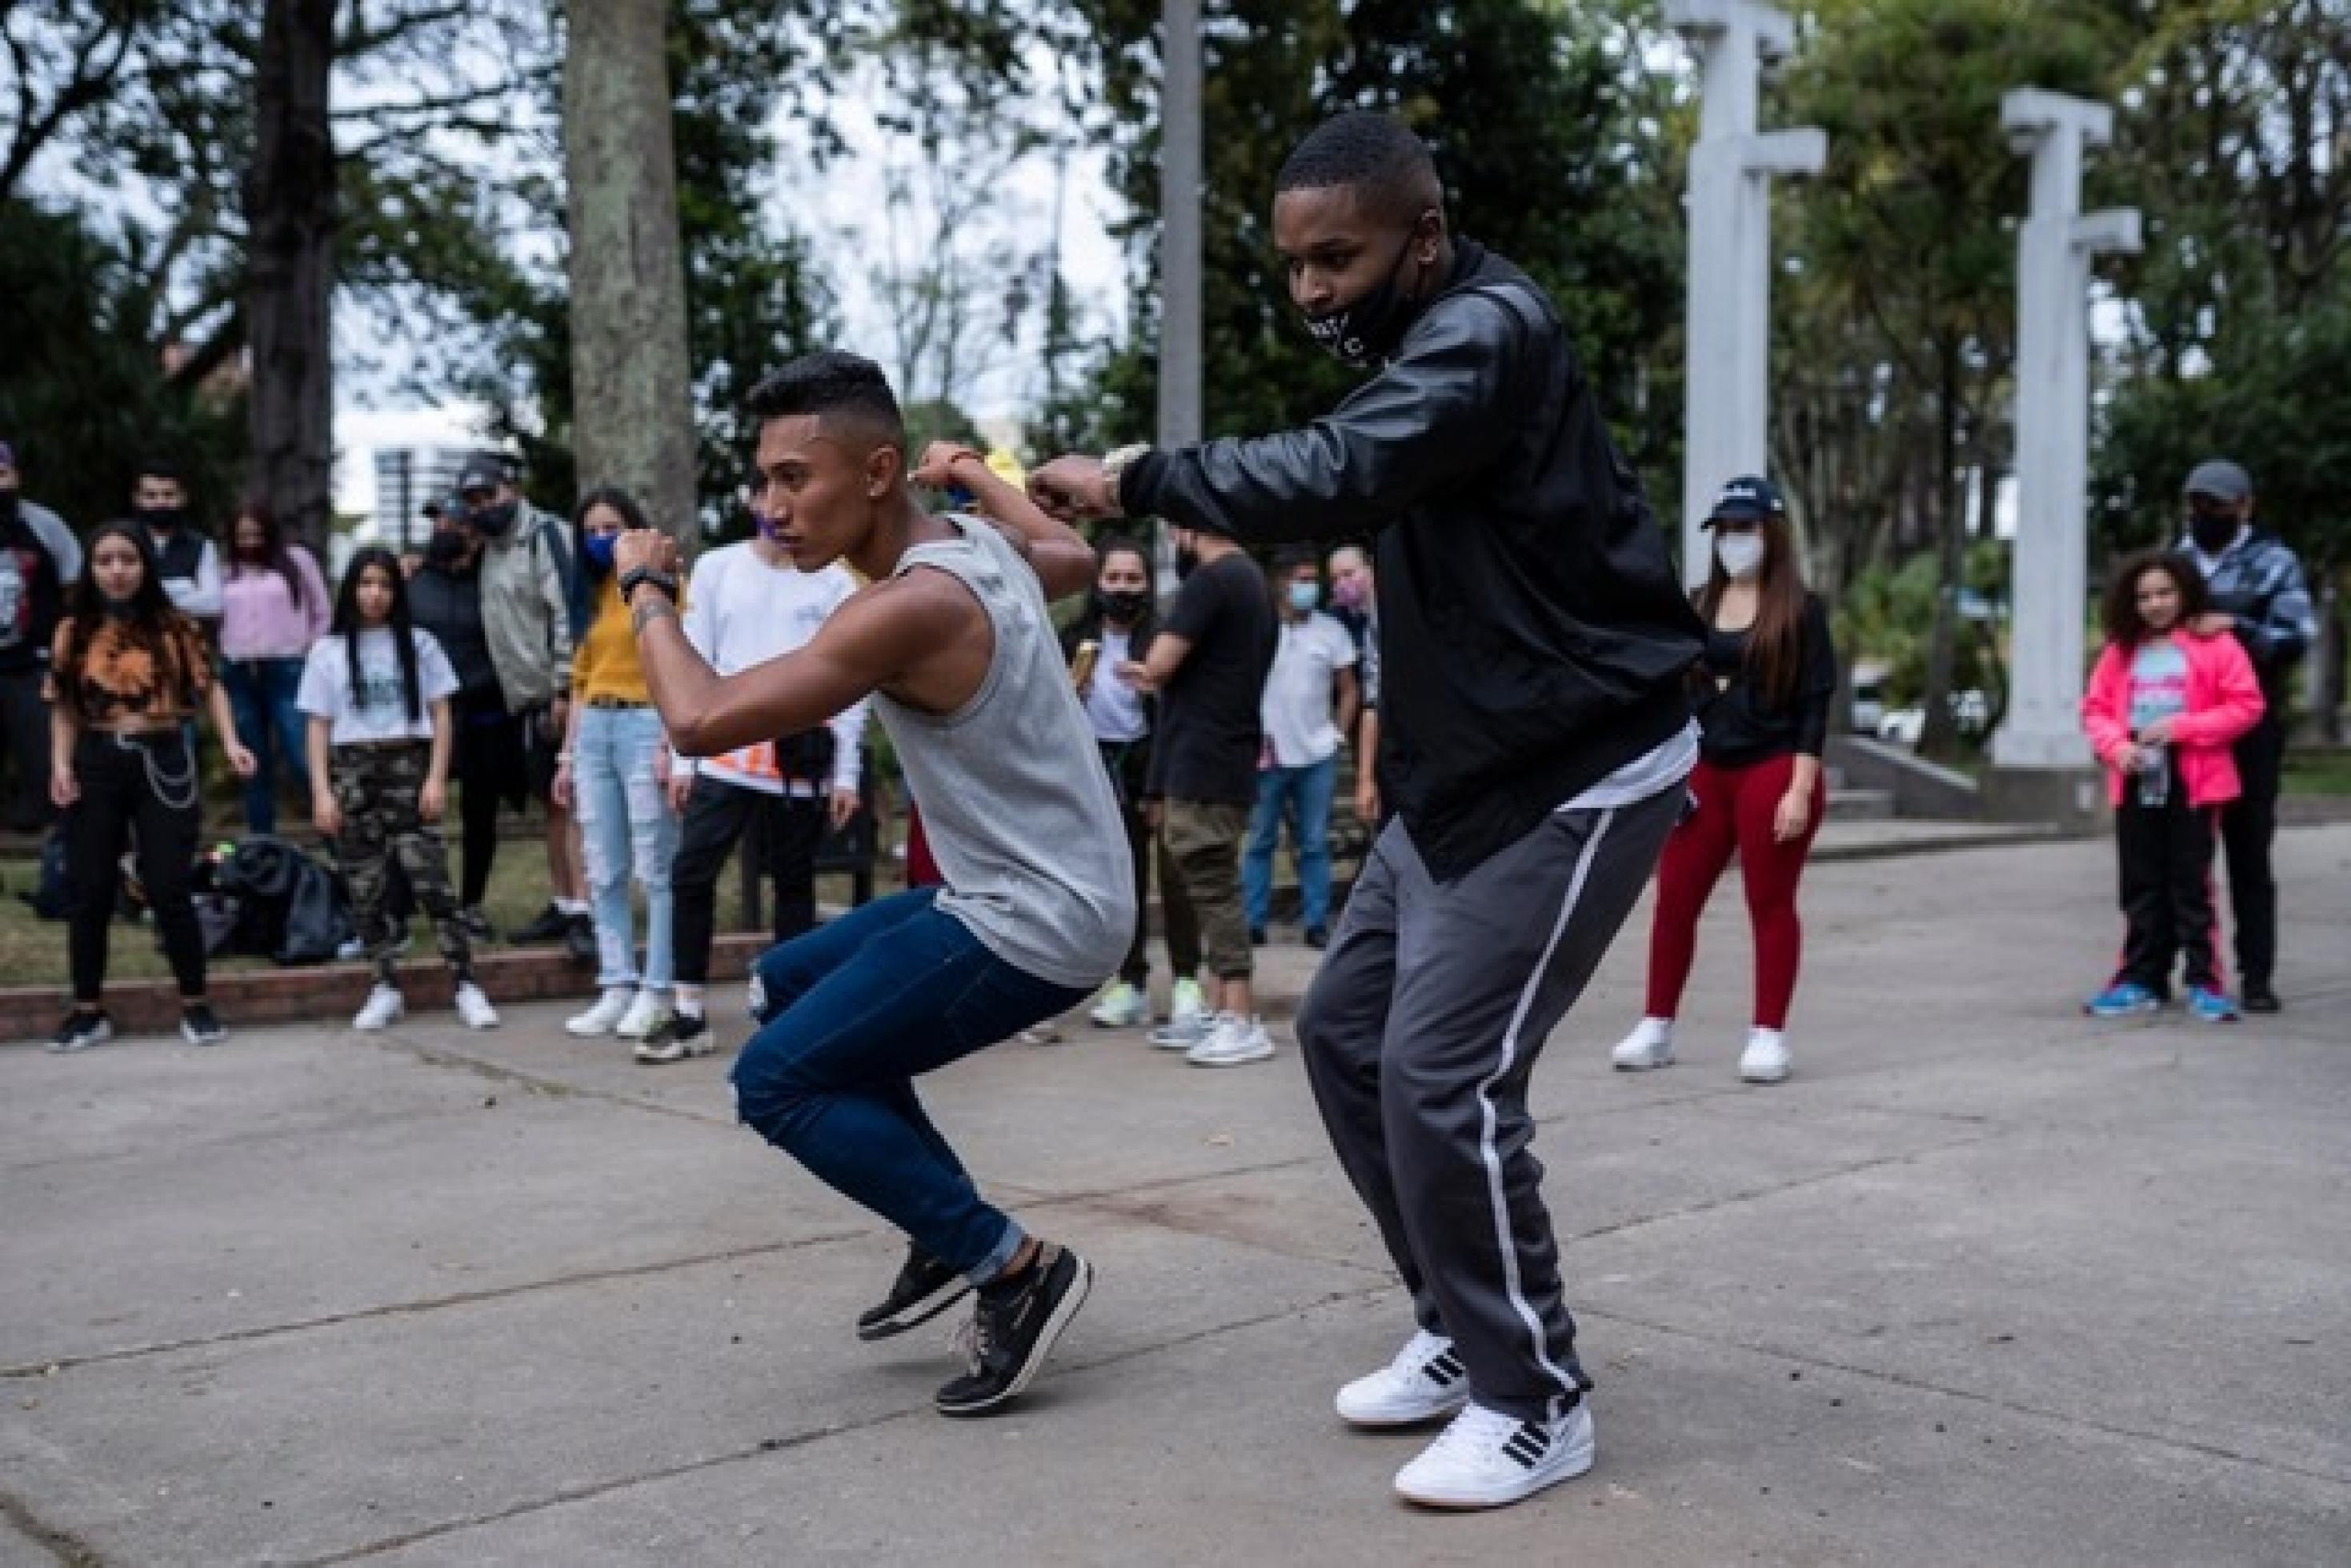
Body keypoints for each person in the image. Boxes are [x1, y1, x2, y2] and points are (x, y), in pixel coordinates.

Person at [1031, 110, 1705, 1509]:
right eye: (1291, 267)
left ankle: (1534, 1396)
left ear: (1425, 235)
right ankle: (1461, 1331)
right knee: (1344, 1037)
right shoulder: (1424, 347)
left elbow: (1338, 472)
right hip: (1463, 779)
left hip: (1579, 764)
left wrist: (1140, 479)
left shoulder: (1484, 334)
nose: (1310, 293)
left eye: (1334, 259)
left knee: (1443, 1074)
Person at [618, 351, 1132, 1417]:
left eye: (794, 479)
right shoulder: (979, 541)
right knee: (787, 987)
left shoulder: (906, 607)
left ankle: (1013, 1268)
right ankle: (943, 1230)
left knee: (772, 1080)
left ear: (876, 471)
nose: (771, 509)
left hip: (1035, 917)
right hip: (1025, 887)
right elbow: (1073, 555)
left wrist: (646, 589)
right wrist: (974, 474)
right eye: (762, 482)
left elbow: (698, 720)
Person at [1612, 477, 1835, 1084]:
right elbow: (1670, 690)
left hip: (1774, 766)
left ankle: (1769, 1033)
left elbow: (1816, 707)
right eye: (1726, 531)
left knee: (1768, 902)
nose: (1735, 541)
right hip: (1705, 767)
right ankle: (1656, 1023)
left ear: (1771, 533)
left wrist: (1799, 788)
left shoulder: (1800, 610)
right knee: (1675, 898)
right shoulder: (1697, 604)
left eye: (1747, 528)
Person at [646, 502, 867, 1064]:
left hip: (798, 765)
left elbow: (851, 686)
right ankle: (688, 1010)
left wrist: (846, 773)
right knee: (691, 874)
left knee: (794, 888)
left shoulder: (835, 583)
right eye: (768, 494)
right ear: (752, 503)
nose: (780, 510)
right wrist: (682, 759)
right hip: (723, 756)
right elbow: (689, 661)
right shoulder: (719, 568)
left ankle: (788, 1013)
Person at [46, 524, 256, 1051]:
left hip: (163, 759)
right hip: (96, 761)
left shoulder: (175, 627)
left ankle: (196, 1003)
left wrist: (231, 743)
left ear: (145, 565)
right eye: (105, 560)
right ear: (92, 569)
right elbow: (65, 709)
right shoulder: (73, 630)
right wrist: (61, 766)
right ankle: (87, 1010)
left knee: (169, 887)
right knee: (90, 890)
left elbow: (212, 690)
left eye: (128, 559)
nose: (117, 570)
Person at [301, 547, 500, 1033]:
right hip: (352, 770)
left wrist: (435, 777)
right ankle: (384, 982)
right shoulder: (328, 650)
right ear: (351, 589)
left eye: (385, 585)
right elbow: (318, 727)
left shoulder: (420, 644)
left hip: (408, 765)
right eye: (366, 584)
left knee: (432, 881)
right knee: (364, 887)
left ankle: (465, 982)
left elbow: (441, 714)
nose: (375, 595)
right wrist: (322, 792)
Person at [1116, 522, 1277, 1066]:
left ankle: (1239, 1016)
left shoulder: (1211, 581)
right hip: (1227, 752)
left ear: (1188, 529)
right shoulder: (1252, 580)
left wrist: (1149, 672)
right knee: (1211, 881)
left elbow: (1161, 662)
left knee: (1211, 883)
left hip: (1205, 759)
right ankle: (1216, 1008)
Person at [2080, 551, 2265, 1022]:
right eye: (2144, 596)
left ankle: (2205, 983)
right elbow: (2095, 711)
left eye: (2164, 593)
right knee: (2141, 883)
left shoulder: (2216, 644)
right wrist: (2117, 747)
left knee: (2191, 884)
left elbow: (2246, 705)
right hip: (2137, 777)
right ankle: (2142, 979)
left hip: (2196, 781)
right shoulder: (2121, 650)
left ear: (2183, 592)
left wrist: (2184, 727)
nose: (2156, 604)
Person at [2176, 459, 2314, 1014]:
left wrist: (2237, 627)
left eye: (2217, 505)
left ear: (2245, 507)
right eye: (2197, 505)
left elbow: (2296, 636)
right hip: (2183, 730)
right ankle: (2193, 971)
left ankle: (2256, 975)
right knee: (2185, 857)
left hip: (2251, 729)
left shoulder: (2275, 563)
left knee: (2249, 853)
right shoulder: (2175, 561)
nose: (2205, 515)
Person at [554, 487, 683, 1045]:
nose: (601, 539)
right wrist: (567, 752)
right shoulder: (589, 593)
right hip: (595, 733)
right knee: (601, 865)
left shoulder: (667, 583)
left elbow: (678, 660)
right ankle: (617, 984)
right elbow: (581, 682)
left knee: (655, 864)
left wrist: (670, 743)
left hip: (646, 725)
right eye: (591, 531)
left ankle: (658, 988)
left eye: (612, 528)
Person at [452, 454, 590, 958]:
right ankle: (564, 900)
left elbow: (566, 613)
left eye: (488, 496)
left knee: (572, 806)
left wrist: (562, 687)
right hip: (523, 703)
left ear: (512, 489)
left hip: (556, 696)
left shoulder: (544, 536)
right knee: (552, 808)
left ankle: (586, 913)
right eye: (472, 501)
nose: (482, 508)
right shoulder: (489, 549)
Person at [1063, 537, 1204, 1032]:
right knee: (1123, 882)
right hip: (1102, 769)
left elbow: (1179, 715)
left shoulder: (1165, 638)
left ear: (1147, 585)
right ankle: (1130, 981)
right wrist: (1071, 693)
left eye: (1133, 579)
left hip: (1156, 765)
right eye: (1113, 578)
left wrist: (1162, 786)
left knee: (1176, 875)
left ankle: (1188, 980)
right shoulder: (1073, 638)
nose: (1122, 588)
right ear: (1097, 582)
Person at [407, 505, 513, 940]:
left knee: (480, 816)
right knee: (413, 814)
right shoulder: (411, 581)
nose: (444, 529)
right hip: (424, 715)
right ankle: (413, 903)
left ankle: (471, 904)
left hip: (483, 709)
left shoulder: (491, 581)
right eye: (438, 522)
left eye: (454, 522)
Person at [1246, 547, 1360, 949]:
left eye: (1314, 580)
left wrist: (1338, 734)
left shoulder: (1332, 631)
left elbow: (1348, 689)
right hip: (1268, 752)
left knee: (1314, 842)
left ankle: (1316, 921)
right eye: (1302, 580)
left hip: (1317, 753)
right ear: (1280, 583)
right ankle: (1253, 922)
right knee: (1261, 839)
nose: (1309, 588)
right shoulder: (1259, 629)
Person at [219, 499, 331, 834]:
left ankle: (337, 841)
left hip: (288, 671)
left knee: (304, 759)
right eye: (243, 535)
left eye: (256, 534)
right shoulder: (224, 570)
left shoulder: (297, 561)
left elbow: (322, 611)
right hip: (238, 672)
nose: (250, 541)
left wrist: (312, 650)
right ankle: (263, 853)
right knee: (252, 768)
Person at [0, 438, 85, 832]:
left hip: (30, 667)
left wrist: (61, 649)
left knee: (45, 765)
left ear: (15, 474)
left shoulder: (44, 524)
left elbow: (76, 587)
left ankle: (58, 864)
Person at [126, 458, 223, 626]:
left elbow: (213, 604)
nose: (160, 502)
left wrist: (147, 598)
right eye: (151, 496)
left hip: (185, 643)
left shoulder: (201, 546)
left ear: (183, 498)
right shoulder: (123, 541)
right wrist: (185, 589)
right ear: (137, 499)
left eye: (169, 495)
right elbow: (115, 600)